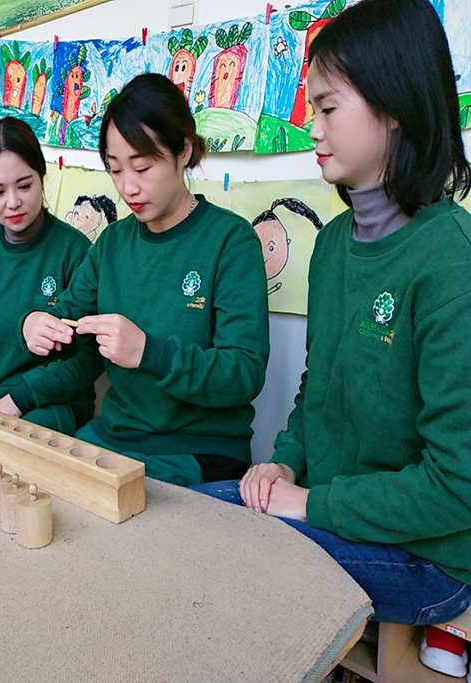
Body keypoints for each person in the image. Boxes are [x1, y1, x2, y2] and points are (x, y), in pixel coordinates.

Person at [192, 0, 471, 672]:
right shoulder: (334, 244)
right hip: (333, 509)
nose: (311, 128)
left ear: (395, 104)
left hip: (428, 555)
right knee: (185, 517)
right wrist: (284, 463)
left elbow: (457, 484)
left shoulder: (448, 259)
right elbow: (318, 387)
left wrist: (309, 501)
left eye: (327, 108)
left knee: (220, 550)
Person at [17, 73, 269, 487]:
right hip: (115, 434)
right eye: (115, 170)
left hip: (198, 446)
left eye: (143, 166)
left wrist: (150, 352)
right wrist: (37, 323)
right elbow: (65, 312)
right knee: (41, 486)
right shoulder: (112, 242)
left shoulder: (230, 241)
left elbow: (244, 373)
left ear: (183, 150)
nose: (127, 187)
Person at [0, 117, 95, 434]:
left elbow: (88, 357)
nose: (13, 203)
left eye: (24, 186)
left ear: (42, 177)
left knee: (9, 451)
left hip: (50, 405)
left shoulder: (75, 251)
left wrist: (18, 400)